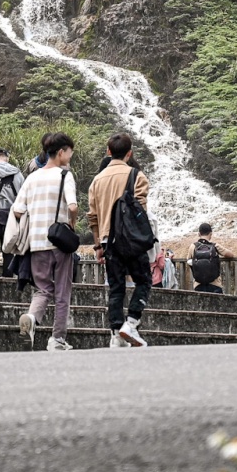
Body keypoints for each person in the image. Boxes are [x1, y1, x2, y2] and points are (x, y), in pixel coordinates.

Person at [10, 131, 79, 351]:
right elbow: (73, 206)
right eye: (69, 153)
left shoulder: (32, 177)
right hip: (59, 242)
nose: (69, 157)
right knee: (62, 292)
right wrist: (72, 225)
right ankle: (57, 339)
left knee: (42, 290)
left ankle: (31, 318)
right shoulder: (64, 175)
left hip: (36, 243)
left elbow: (18, 211)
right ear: (60, 152)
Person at [88, 133, 151, 347]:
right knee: (143, 280)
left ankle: (115, 334)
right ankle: (131, 322)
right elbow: (141, 209)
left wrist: (98, 245)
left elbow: (93, 216)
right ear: (129, 153)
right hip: (131, 239)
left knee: (116, 287)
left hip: (108, 240)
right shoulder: (137, 175)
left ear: (108, 152)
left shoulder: (97, 180)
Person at [191, 223, 233, 293]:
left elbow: (189, 260)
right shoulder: (215, 246)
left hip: (198, 285)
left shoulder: (193, 246)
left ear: (199, 234)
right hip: (215, 285)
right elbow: (230, 255)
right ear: (210, 234)